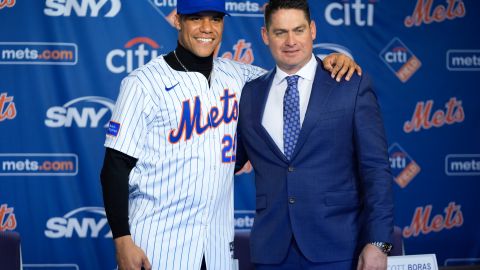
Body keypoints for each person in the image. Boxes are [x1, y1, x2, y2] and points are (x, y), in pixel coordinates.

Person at [100, 0, 361, 269]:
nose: (206, 28)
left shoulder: (240, 77)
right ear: (178, 21)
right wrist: (122, 239)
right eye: (195, 18)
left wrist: (328, 63)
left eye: (215, 19)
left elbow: (294, 77)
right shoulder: (142, 83)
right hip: (156, 241)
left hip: (216, 246)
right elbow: (114, 168)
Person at [235, 0, 394, 269]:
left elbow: (376, 169)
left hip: (338, 249)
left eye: (298, 30)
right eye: (280, 32)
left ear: (313, 30)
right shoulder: (249, 93)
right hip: (271, 253)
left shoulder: (349, 84)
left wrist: (379, 243)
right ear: (265, 35)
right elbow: (227, 160)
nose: (290, 41)